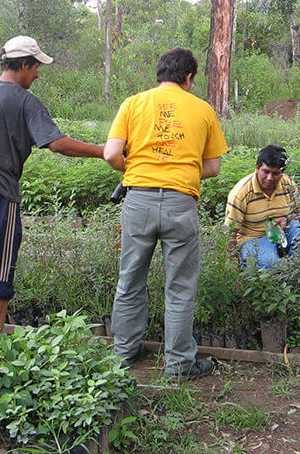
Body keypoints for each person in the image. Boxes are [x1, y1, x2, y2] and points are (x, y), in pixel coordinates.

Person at [0, 36, 105, 332]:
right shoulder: (25, 101)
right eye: (36, 67)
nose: (37, 74)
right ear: (24, 64)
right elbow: (57, 144)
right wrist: (103, 151)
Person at [104, 47, 228, 382]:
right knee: (180, 287)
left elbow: (111, 153)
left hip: (138, 202)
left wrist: (140, 168)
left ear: (160, 74)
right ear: (189, 78)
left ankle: (123, 354)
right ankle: (178, 365)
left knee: (130, 279)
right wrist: (180, 171)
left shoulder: (134, 103)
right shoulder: (203, 110)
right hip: (180, 205)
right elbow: (213, 167)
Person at [224, 145, 300, 268]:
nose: (270, 178)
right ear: (257, 168)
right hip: (254, 239)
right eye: (266, 172)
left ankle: (297, 270)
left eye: (276, 173)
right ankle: (251, 262)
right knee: (269, 264)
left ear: (282, 172)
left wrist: (286, 220)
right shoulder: (241, 193)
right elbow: (230, 232)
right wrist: (233, 267)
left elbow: (298, 215)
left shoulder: (288, 184)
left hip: (281, 235)